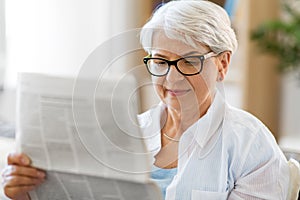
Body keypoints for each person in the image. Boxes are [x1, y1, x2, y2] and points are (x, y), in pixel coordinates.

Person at [1, 1, 290, 200]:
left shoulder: (251, 145)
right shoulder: (129, 131)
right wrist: (27, 191)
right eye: (161, 62)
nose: (172, 79)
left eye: (189, 62)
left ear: (223, 64)